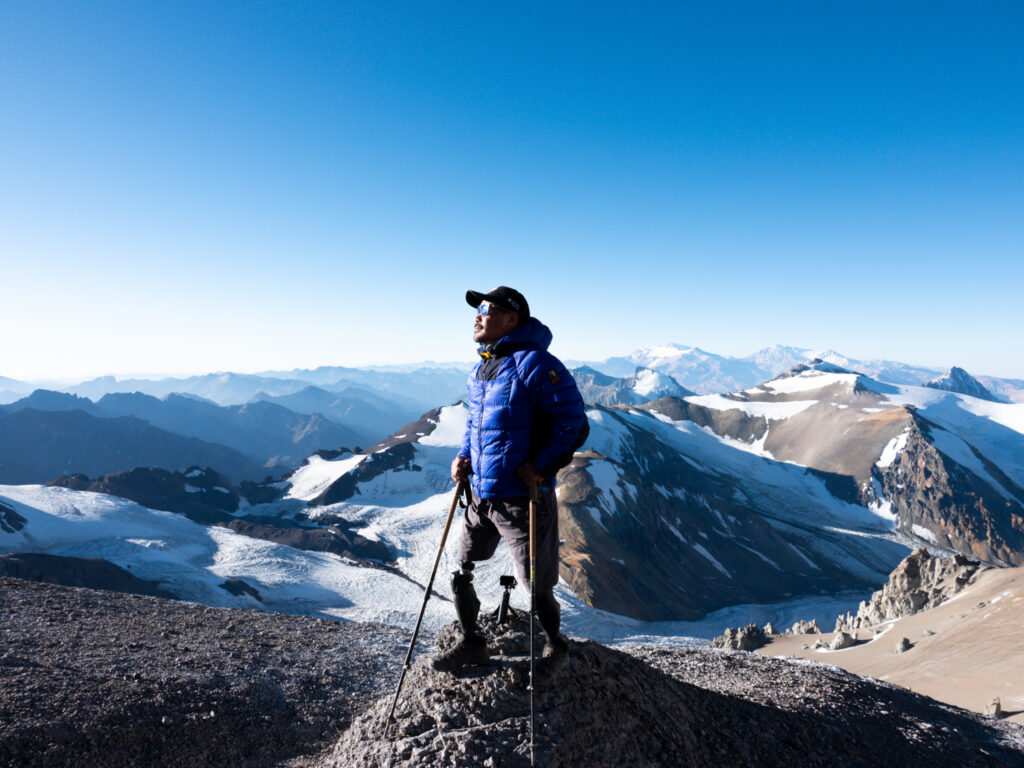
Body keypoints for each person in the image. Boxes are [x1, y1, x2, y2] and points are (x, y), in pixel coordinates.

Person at [432, 286, 586, 684]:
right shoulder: (484, 368)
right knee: (461, 570)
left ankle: (555, 648)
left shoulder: (534, 363)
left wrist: (543, 465)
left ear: (512, 318)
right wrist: (463, 457)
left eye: (486, 309)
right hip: (481, 494)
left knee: (537, 586)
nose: (477, 315)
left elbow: (574, 422)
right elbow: (476, 424)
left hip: (523, 498)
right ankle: (471, 642)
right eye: (478, 309)